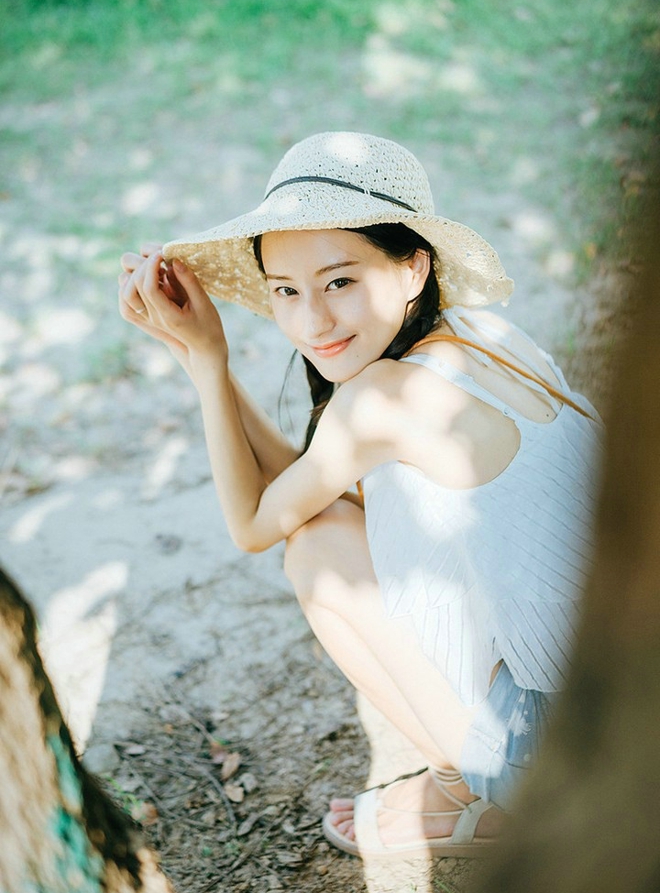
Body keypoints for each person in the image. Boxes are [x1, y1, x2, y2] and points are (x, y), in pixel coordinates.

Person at [117, 132, 603, 860]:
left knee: (315, 552)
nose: (311, 322)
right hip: (623, 705)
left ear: (412, 268)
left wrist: (208, 363)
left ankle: (465, 792)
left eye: (339, 282)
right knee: (329, 522)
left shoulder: (382, 399)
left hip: (573, 764)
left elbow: (254, 523)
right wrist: (199, 356)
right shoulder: (486, 334)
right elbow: (310, 483)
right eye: (286, 291)